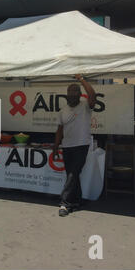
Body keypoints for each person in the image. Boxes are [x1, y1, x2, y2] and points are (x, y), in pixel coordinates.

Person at [53, 74, 96, 217]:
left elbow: (92, 95)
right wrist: (55, 147)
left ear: (79, 94)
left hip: (81, 145)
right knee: (72, 174)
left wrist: (81, 80)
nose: (71, 94)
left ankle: (64, 204)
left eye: (75, 91)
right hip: (67, 146)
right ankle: (77, 200)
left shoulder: (85, 106)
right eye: (69, 92)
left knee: (72, 174)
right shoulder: (62, 111)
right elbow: (59, 131)